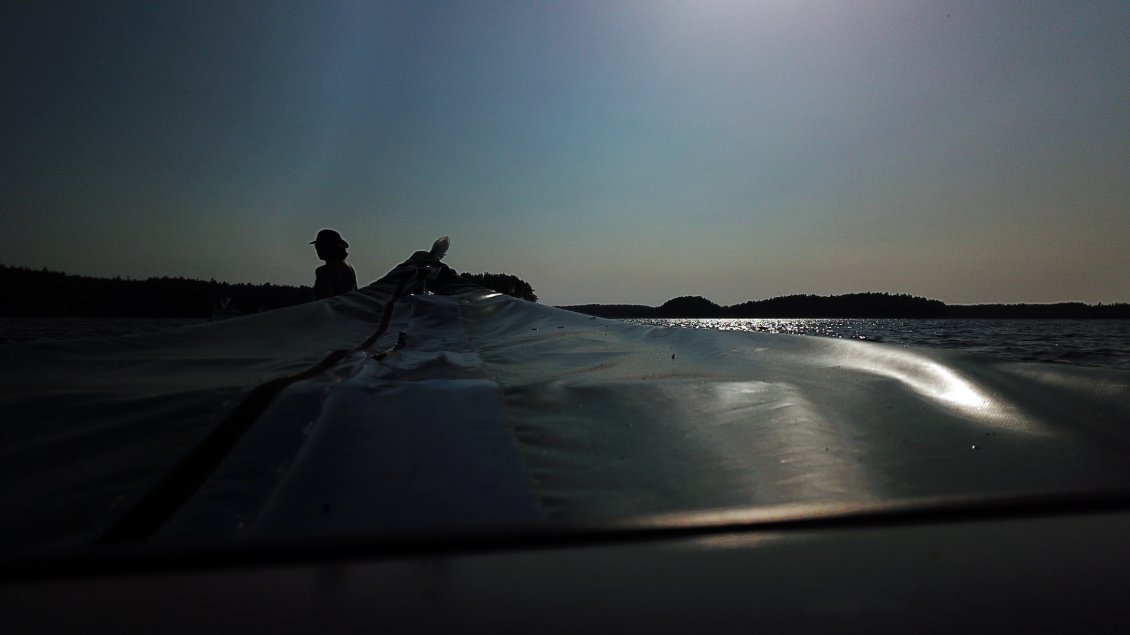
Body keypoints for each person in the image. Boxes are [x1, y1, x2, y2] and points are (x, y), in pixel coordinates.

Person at [309, 229, 358, 299]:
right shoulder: (350, 270)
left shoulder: (323, 271)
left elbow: (325, 300)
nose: (317, 250)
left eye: (318, 246)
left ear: (326, 248)